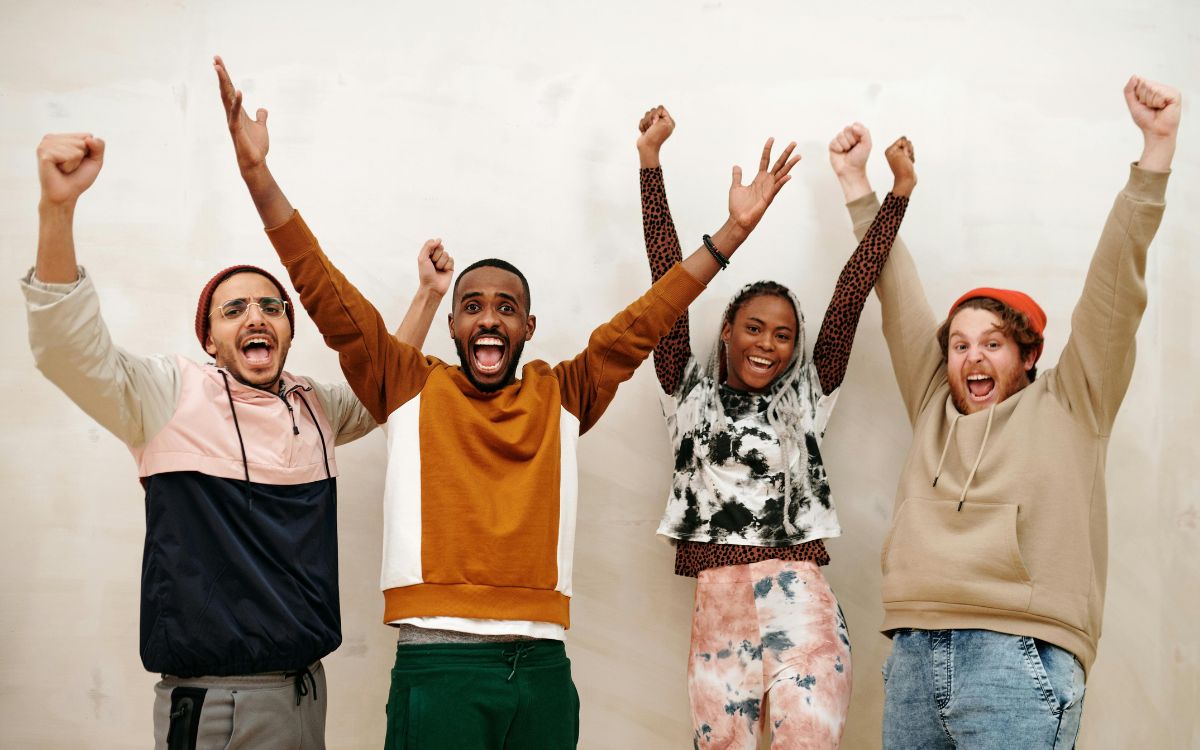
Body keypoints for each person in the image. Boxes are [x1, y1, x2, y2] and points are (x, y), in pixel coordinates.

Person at [213, 55, 800, 748]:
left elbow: (650, 317)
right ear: (454, 325)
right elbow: (319, 285)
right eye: (471, 307)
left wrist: (730, 234)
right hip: (440, 667)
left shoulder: (564, 393)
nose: (488, 319)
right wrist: (257, 174)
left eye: (505, 308)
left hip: (544, 670)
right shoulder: (408, 382)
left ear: (527, 327)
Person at [23, 130, 454, 749]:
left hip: (306, 692)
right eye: (234, 310)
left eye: (271, 307)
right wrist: (57, 209)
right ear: (209, 338)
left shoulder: (314, 404)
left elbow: (382, 389)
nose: (256, 316)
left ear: (286, 328)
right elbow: (70, 351)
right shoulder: (166, 395)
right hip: (216, 704)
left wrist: (426, 297)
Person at [828, 76, 1180, 749]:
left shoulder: (1073, 403)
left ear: (1026, 355)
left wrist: (1155, 151)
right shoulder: (934, 401)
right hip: (911, 653)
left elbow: (1115, 286)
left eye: (991, 343)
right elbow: (894, 286)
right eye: (959, 344)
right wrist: (856, 185)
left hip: (1018, 657)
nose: (971, 357)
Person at [637, 106, 916, 748]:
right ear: (727, 330)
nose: (768, 344)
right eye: (755, 328)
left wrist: (897, 194)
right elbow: (666, 284)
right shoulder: (686, 390)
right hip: (718, 608)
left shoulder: (809, 399)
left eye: (784, 334)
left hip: (803, 604)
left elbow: (851, 293)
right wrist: (650, 163)